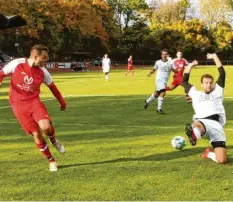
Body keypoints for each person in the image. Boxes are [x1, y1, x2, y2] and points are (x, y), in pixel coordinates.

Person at [0, 44, 66, 171]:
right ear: (35, 56)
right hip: (18, 105)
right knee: (36, 134)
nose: (47, 60)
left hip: (34, 102)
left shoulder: (43, 71)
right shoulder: (17, 64)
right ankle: (51, 161)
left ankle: (54, 140)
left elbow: (53, 87)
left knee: (46, 127)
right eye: (44, 58)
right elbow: (2, 73)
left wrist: (62, 102)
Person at [183, 53, 227, 164]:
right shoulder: (196, 93)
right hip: (203, 121)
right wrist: (191, 65)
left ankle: (208, 153)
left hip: (217, 126)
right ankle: (194, 135)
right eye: (206, 83)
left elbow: (222, 73)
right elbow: (184, 81)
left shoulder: (218, 91)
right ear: (201, 84)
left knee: (222, 160)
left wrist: (214, 56)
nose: (209, 85)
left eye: (211, 83)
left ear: (213, 84)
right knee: (197, 124)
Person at [144, 49, 178, 114]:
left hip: (165, 81)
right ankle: (159, 109)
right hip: (159, 80)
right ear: (161, 55)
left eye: (165, 54)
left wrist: (172, 69)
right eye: (163, 54)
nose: (164, 55)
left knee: (157, 94)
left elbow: (176, 71)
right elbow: (154, 69)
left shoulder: (170, 63)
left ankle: (147, 101)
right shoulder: (158, 62)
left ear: (167, 55)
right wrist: (149, 73)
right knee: (163, 92)